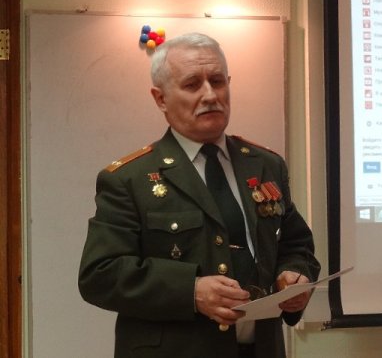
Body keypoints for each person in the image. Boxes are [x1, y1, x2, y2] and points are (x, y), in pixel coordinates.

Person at [78, 33, 321, 358]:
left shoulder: (265, 165)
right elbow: (100, 275)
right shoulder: (129, 179)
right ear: (160, 98)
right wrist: (190, 291)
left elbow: (295, 245)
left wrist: (293, 276)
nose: (210, 95)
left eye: (217, 81)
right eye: (192, 85)